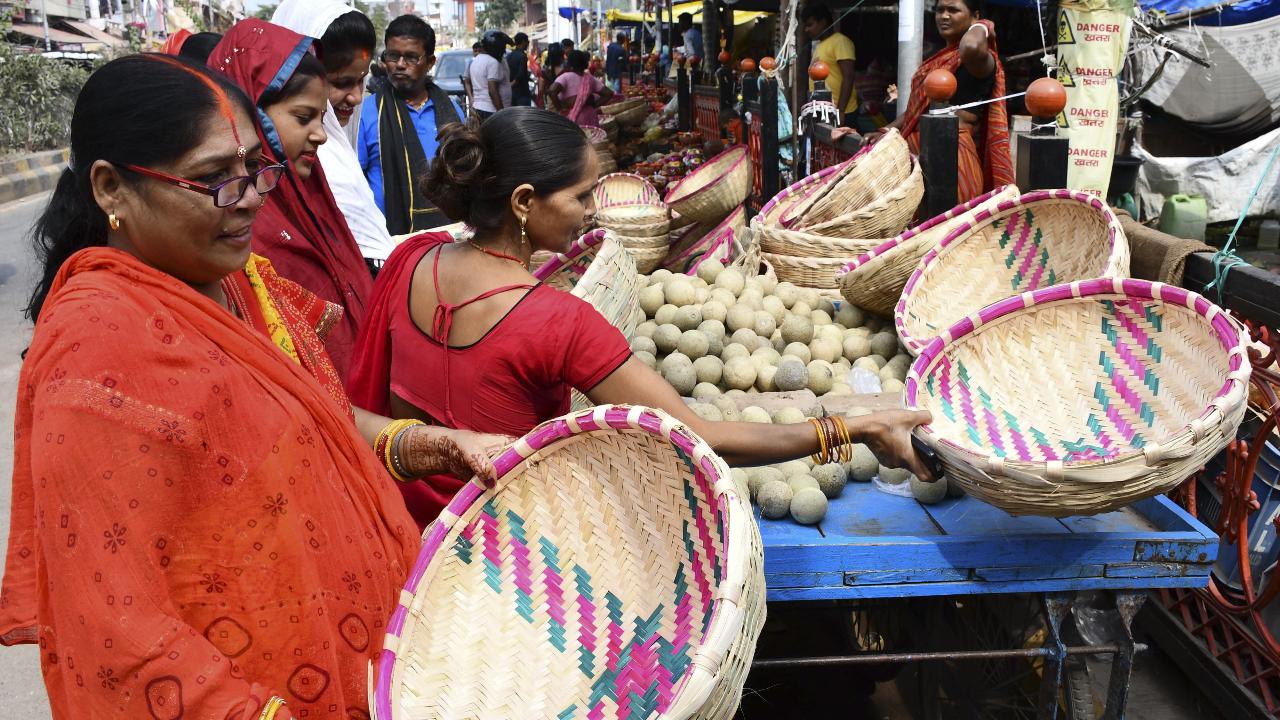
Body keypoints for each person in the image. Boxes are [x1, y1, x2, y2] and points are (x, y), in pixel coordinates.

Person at [0, 53, 507, 719]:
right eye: (214, 180)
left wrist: (431, 444)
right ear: (111, 188)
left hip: (367, 668)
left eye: (253, 170)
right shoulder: (98, 350)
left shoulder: (242, 281)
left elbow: (314, 419)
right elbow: (122, 625)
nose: (250, 200)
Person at [346, 108, 936, 529]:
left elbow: (373, 403)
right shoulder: (557, 321)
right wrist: (855, 429)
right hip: (509, 541)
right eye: (580, 197)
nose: (590, 213)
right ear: (524, 202)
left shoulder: (408, 260)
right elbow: (707, 438)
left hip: (410, 529)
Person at [208, 20, 371, 381]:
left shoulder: (309, 198)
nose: (321, 135)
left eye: (322, 118)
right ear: (252, 115)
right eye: (303, 118)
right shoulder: (235, 230)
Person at [272, 0, 396, 269]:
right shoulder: (297, 160)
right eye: (341, 83)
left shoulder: (337, 153)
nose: (357, 97)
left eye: (361, 80)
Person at [864, 0, 1013, 202]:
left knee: (952, 227)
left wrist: (983, 25)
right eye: (939, 10)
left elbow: (970, 46)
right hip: (920, 157)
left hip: (954, 157)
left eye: (953, 10)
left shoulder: (980, 60)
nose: (944, 16)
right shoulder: (939, 58)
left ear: (974, 16)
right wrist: (887, 131)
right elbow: (916, 112)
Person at [357, 15, 463, 235]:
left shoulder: (453, 111)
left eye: (411, 57)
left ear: (430, 62)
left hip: (452, 234)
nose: (400, 65)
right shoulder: (367, 113)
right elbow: (354, 182)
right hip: (389, 239)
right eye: (393, 56)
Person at [801, 3, 857, 127]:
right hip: (824, 110)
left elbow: (848, 77)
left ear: (823, 22)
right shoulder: (819, 45)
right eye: (805, 26)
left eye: (810, 25)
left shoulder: (840, 41)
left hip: (840, 111)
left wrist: (840, 111)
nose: (807, 30)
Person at [548, 49, 613, 126]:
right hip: (590, 117)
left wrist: (560, 108)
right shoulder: (590, 78)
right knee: (590, 137)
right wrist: (592, 104)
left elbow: (551, 91)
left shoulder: (565, 77)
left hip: (571, 119)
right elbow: (608, 93)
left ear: (569, 63)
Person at [469, 30, 513, 121]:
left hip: (478, 107)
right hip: (491, 110)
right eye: (502, 47)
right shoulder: (492, 62)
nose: (504, 50)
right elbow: (492, 90)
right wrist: (502, 113)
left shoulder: (476, 60)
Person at [506, 31, 533, 106]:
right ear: (523, 42)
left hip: (511, 93)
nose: (528, 43)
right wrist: (512, 84)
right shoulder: (523, 56)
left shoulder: (509, 56)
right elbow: (520, 75)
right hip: (522, 93)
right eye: (527, 41)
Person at [538, 41, 565, 108]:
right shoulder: (566, 69)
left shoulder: (545, 71)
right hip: (565, 101)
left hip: (551, 101)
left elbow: (541, 89)